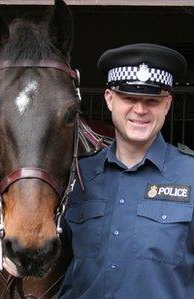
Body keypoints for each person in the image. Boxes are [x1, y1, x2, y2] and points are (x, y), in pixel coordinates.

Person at [58, 43, 194, 299]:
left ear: (167, 104)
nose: (140, 110)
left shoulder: (191, 176)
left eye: (151, 100)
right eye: (129, 98)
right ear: (109, 99)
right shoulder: (78, 176)